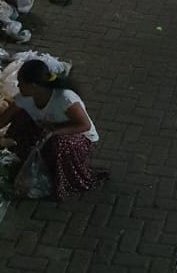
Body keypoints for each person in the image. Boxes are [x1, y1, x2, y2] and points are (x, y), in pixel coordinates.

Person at [0, 60, 106, 200]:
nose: (18, 86)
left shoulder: (64, 98)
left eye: (21, 83)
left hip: (78, 137)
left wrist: (54, 132)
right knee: (20, 118)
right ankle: (27, 160)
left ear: (34, 86)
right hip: (47, 131)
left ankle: (63, 177)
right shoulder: (25, 98)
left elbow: (84, 125)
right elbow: (4, 119)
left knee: (59, 143)